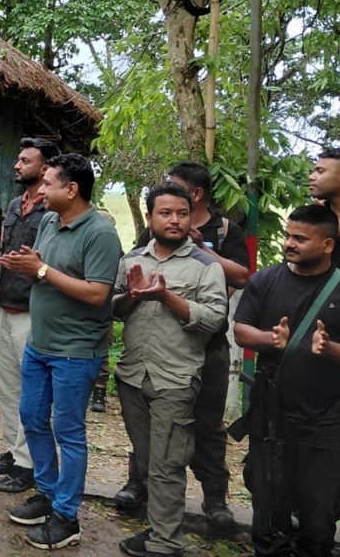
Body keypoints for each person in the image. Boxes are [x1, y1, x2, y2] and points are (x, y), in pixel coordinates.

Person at [0, 153, 121, 550]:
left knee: (68, 432)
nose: (41, 191)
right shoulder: (50, 221)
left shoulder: (100, 234)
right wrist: (26, 265)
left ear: (72, 189)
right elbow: (42, 269)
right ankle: (47, 494)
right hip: (40, 344)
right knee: (33, 418)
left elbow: (98, 293)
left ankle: (67, 516)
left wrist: (40, 271)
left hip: (76, 351)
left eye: (48, 184)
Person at [117, 160, 250, 526]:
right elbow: (127, 287)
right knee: (152, 432)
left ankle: (214, 498)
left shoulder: (225, 230)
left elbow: (241, 276)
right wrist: (134, 294)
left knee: (207, 426)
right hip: (154, 353)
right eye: (164, 211)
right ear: (151, 216)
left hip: (207, 350)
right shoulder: (149, 239)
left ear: (196, 196)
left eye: (181, 206)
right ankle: (140, 487)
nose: (173, 217)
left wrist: (199, 250)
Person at [233, 205, 340, 557]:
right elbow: (241, 331)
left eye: (300, 238)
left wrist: (330, 349)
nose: (289, 244)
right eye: (287, 236)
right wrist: (271, 339)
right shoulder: (265, 280)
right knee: (269, 505)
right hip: (272, 414)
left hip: (328, 419)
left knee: (319, 510)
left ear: (327, 245)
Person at [0, 137, 60, 492]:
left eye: (25, 160)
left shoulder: (53, 210)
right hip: (6, 304)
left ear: (45, 168)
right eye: (18, 159)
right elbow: (7, 253)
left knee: (33, 392)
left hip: (33, 309)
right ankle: (14, 452)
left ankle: (30, 463)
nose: (17, 165)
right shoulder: (16, 204)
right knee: (7, 385)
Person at [308, 147, 340, 270]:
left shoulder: (327, 218)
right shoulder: (314, 216)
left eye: (320, 171)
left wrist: (336, 225)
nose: (311, 177)